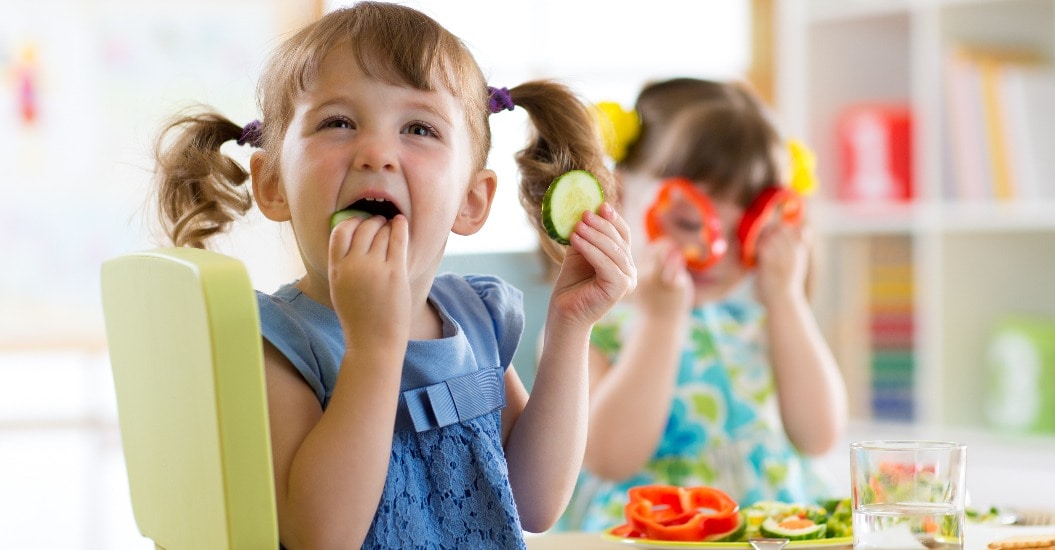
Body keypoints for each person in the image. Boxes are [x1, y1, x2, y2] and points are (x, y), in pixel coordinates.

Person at [150, 3, 636, 548]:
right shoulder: (274, 343)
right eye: (337, 122)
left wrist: (571, 328)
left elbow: (535, 502)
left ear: (472, 202)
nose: (376, 152)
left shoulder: (476, 321)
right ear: (272, 184)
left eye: (420, 128)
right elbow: (321, 536)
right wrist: (374, 347)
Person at [555, 77, 848, 532]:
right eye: (690, 221)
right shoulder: (590, 322)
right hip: (654, 534)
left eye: (745, 230)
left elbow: (819, 436)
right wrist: (660, 321)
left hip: (770, 532)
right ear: (619, 192)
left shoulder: (762, 320)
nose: (716, 251)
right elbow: (608, 457)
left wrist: (787, 301)